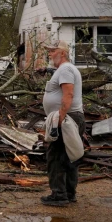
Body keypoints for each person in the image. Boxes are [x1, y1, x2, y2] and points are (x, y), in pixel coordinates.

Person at [41, 40, 85, 207]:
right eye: (49, 50)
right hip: (72, 117)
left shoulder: (66, 69)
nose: (50, 53)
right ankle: (69, 193)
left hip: (67, 118)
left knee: (56, 156)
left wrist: (60, 118)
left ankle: (59, 195)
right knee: (69, 156)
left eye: (53, 50)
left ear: (63, 53)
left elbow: (68, 94)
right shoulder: (66, 69)